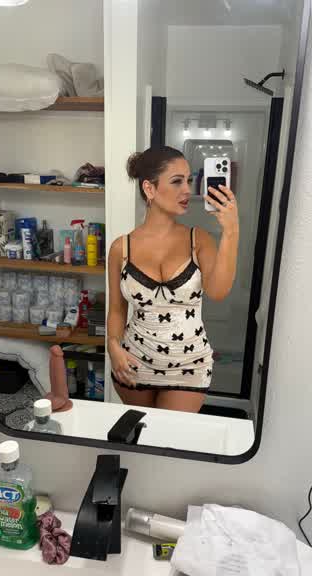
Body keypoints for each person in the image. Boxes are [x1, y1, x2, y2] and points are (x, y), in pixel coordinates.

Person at [107, 146, 239, 413]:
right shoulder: (121, 248)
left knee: (170, 436)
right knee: (141, 433)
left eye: (188, 180)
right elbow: (117, 310)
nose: (187, 190)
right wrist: (113, 346)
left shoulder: (198, 239)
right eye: (177, 181)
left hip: (188, 366)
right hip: (134, 362)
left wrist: (231, 230)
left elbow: (218, 291)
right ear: (149, 188)